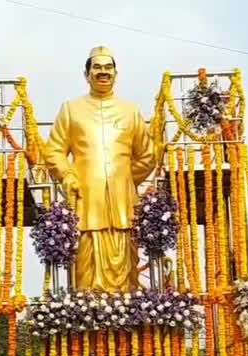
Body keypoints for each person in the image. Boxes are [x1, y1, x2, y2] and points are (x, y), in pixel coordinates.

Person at [45, 46, 156, 292]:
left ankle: (127, 315)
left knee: (126, 268)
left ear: (116, 73)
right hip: (86, 200)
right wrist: (68, 176)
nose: (103, 72)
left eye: (108, 67)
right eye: (97, 67)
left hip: (123, 204)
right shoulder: (71, 109)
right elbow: (53, 151)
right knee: (85, 269)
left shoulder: (131, 111)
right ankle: (87, 315)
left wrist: (125, 179)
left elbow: (148, 155)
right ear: (86, 74)